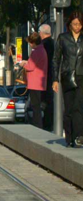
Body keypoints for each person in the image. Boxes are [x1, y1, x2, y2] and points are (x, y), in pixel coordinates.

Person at [53, 11, 83, 147]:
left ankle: (78, 137)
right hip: (67, 76)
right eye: (74, 24)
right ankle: (69, 137)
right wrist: (55, 79)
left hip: (81, 76)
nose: (77, 27)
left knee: (78, 107)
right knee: (69, 108)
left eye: (79, 24)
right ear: (70, 24)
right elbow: (56, 59)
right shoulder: (63, 38)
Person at [19, 32, 48, 129]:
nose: (30, 45)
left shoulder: (36, 51)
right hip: (39, 82)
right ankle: (38, 124)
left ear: (33, 42)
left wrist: (23, 64)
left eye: (30, 43)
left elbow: (30, 66)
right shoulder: (42, 50)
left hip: (35, 83)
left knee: (35, 106)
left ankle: (37, 125)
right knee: (37, 105)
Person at [39, 24, 55, 131]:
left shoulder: (43, 45)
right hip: (52, 75)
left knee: (45, 102)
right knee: (50, 101)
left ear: (41, 33)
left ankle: (46, 124)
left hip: (45, 77)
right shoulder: (54, 43)